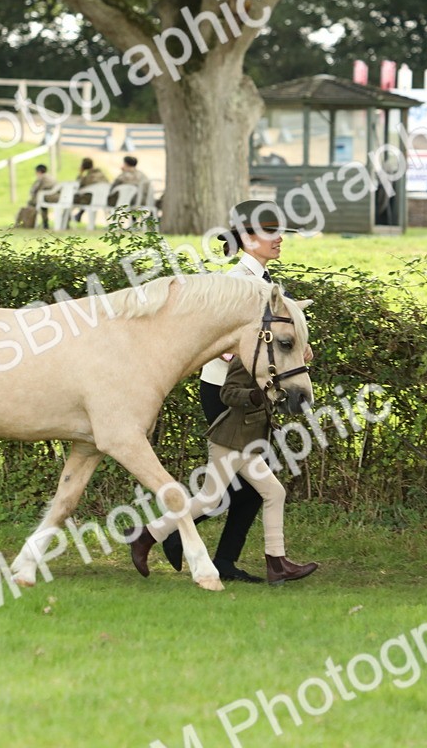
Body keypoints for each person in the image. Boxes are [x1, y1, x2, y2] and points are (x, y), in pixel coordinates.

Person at [155, 199, 314, 583]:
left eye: (281, 233)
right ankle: (163, 535)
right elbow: (218, 342)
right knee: (243, 487)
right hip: (227, 393)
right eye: (270, 232)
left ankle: (201, 550)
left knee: (243, 489)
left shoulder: (262, 283)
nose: (279, 240)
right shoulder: (239, 283)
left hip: (248, 393)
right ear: (246, 237)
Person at [126, 354, 319, 584]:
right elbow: (227, 393)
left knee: (274, 492)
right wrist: (256, 395)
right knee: (209, 499)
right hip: (229, 442)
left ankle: (276, 564)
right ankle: (148, 535)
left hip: (246, 442)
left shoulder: (267, 354)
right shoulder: (244, 357)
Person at [19, 163, 56, 229]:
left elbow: (34, 190)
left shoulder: (42, 178)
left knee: (31, 203)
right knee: (41, 205)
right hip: (54, 197)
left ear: (38, 172)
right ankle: (45, 223)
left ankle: (28, 222)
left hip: (46, 197)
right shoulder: (50, 177)